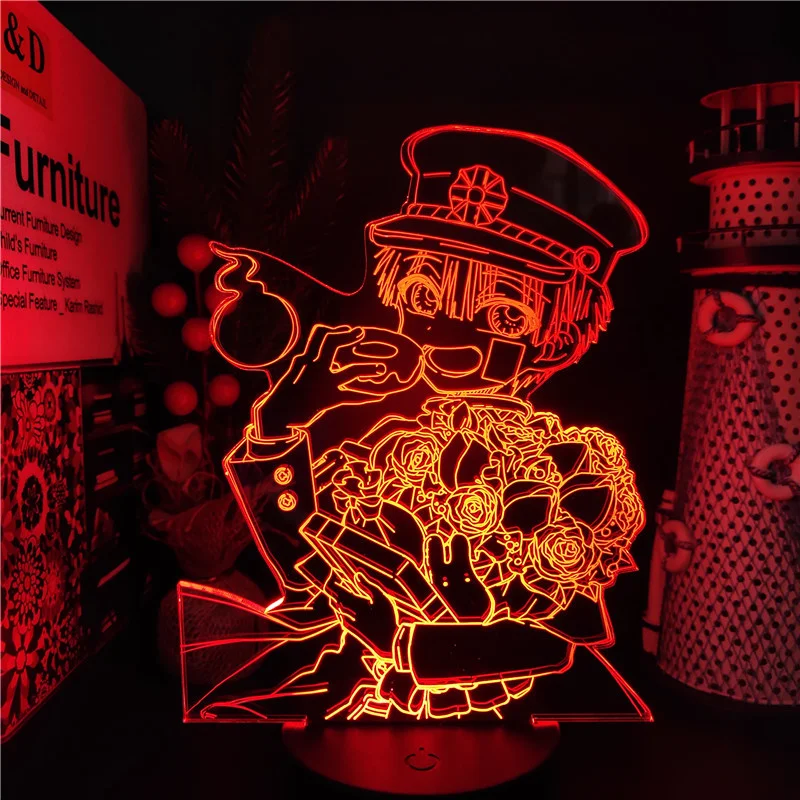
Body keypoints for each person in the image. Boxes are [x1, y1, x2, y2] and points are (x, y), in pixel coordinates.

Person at [179, 125, 651, 723]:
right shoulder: (362, 433)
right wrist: (283, 415)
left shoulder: (561, 467)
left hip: (484, 711)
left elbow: (557, 640)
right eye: (425, 298)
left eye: (503, 315)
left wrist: (407, 644)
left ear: (554, 339)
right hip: (339, 694)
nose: (446, 333)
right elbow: (293, 560)